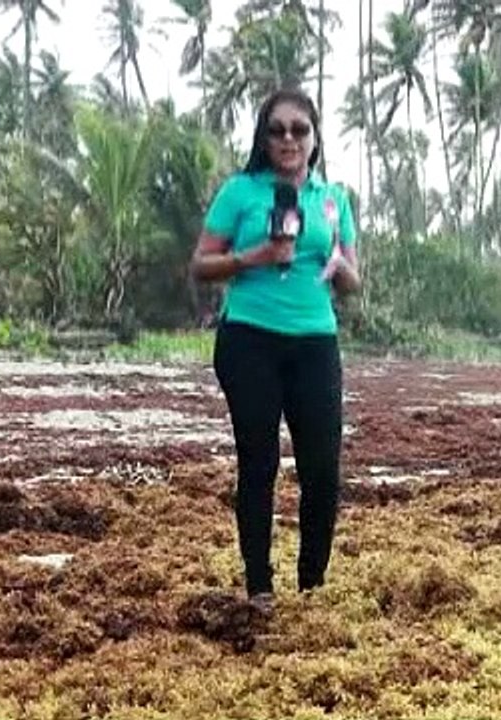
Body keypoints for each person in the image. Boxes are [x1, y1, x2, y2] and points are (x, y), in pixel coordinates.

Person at [190, 87, 361, 613]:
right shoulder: (240, 192)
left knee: (322, 470)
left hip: (315, 342)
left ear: (314, 139)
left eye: (299, 130)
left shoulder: (333, 201)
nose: (288, 139)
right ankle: (259, 586)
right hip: (250, 342)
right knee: (259, 463)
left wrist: (339, 267)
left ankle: (312, 585)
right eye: (277, 130)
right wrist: (255, 256)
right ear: (263, 139)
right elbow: (200, 265)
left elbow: (353, 281)